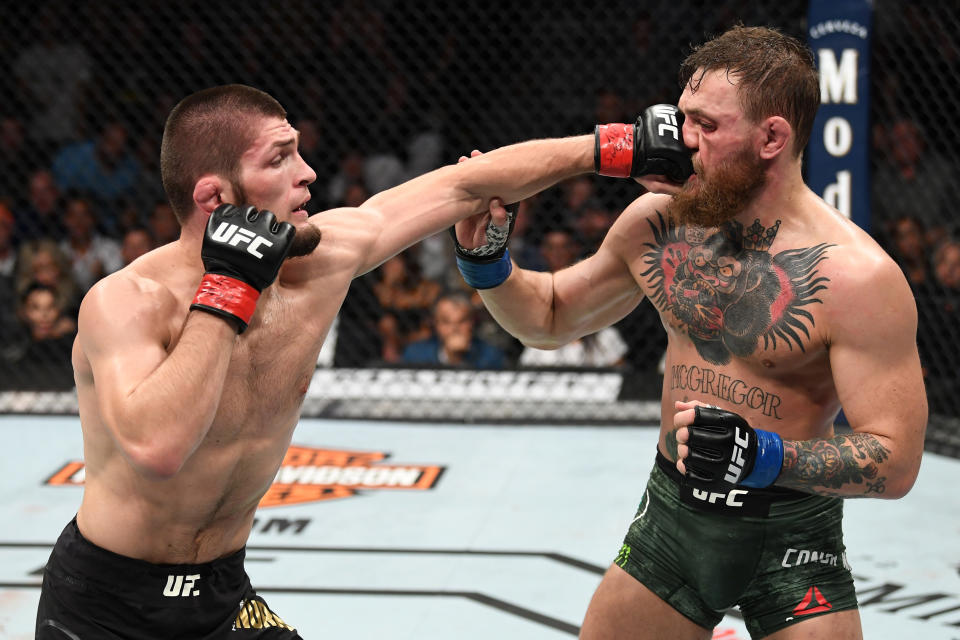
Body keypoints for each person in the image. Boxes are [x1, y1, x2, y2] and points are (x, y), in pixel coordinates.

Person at [34, 83, 600, 639]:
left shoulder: (321, 262)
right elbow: (159, 448)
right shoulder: (127, 302)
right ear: (215, 200)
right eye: (279, 160)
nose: (307, 172)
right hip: (104, 609)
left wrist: (613, 148)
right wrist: (228, 287)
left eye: (298, 150)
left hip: (223, 595)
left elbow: (464, 184)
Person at [452, 26, 926, 639]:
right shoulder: (659, 222)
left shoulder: (857, 277)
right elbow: (547, 318)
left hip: (792, 536)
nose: (679, 141)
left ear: (771, 138)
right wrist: (489, 261)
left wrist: (764, 456)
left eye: (706, 125)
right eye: (681, 118)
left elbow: (896, 461)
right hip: (672, 522)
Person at [402, 289, 505, 368]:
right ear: (436, 324)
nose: (455, 329)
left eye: (462, 321)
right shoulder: (416, 355)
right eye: (446, 322)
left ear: (472, 322)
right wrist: (450, 356)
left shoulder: (490, 356)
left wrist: (457, 358)